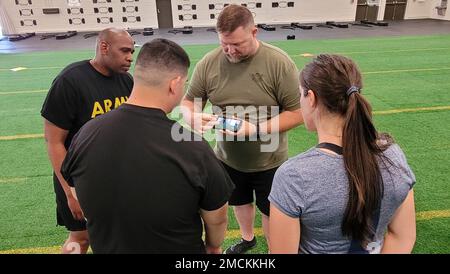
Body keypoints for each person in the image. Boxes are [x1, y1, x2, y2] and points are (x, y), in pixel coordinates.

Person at [60, 38, 235, 254]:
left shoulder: (84, 134)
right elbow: (217, 217)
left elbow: (78, 193)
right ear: (174, 84)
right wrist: (214, 246)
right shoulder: (193, 147)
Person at [181, 4, 303, 254]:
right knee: (239, 200)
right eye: (224, 43)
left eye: (237, 44)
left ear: (254, 32)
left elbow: (298, 112)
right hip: (227, 158)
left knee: (271, 209)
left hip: (270, 159)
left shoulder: (278, 63)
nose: (229, 50)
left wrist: (255, 129)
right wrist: (191, 116)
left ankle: (272, 249)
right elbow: (188, 101)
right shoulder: (209, 63)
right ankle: (248, 239)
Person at [269, 54, 416, 254]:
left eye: (300, 94)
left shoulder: (294, 176)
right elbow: (402, 237)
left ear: (311, 98)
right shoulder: (393, 156)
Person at [41, 28, 135, 254]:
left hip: (116, 176)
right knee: (81, 238)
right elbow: (54, 142)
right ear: (104, 47)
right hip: (80, 177)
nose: (130, 57)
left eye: (132, 51)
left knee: (121, 233)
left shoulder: (126, 81)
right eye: (124, 51)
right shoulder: (70, 81)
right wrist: (70, 191)